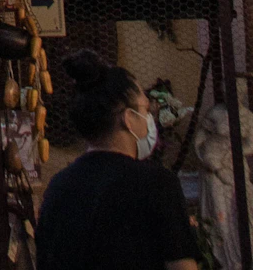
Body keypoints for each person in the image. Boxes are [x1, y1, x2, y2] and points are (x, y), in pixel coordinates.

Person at [36, 51, 200, 270]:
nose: (150, 118)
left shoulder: (58, 187)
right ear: (129, 118)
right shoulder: (157, 184)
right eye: (145, 109)